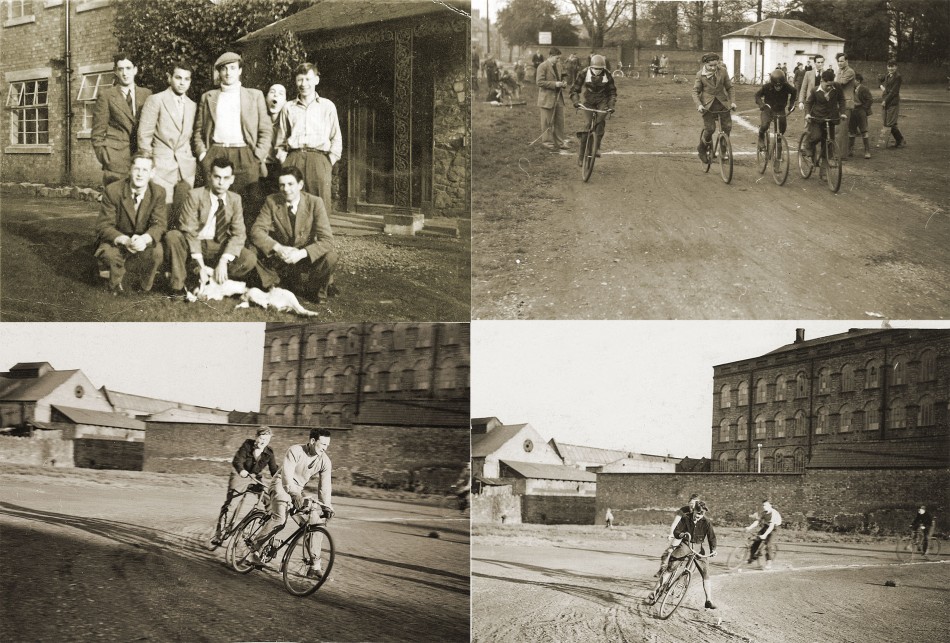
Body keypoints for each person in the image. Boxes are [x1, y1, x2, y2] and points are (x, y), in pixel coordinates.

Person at [247, 428, 334, 577]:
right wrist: (294, 494)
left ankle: (314, 565)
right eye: (323, 444)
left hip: (298, 490)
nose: (325, 448)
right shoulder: (295, 450)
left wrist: (327, 506)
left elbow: (325, 486)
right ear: (313, 441)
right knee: (280, 519)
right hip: (281, 484)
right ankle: (254, 550)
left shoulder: (325, 461)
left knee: (315, 523)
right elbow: (286, 475)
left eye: (327, 445)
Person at [165, 156, 257, 294]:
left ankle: (212, 279)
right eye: (217, 177)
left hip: (218, 246)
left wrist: (223, 261)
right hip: (196, 243)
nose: (221, 182)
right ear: (209, 176)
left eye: (226, 178)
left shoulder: (235, 199)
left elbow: (239, 234)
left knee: (249, 258)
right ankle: (178, 285)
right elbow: (190, 231)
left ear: (232, 179)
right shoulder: (195, 195)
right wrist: (201, 265)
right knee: (173, 236)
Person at [251, 165, 338, 303]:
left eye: (290, 184)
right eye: (282, 185)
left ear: (300, 185)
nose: (286, 189)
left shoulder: (315, 202)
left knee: (331, 256)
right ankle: (274, 284)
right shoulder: (272, 201)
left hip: (304, 256)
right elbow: (256, 231)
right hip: (282, 255)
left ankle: (314, 289)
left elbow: (327, 240)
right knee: (252, 249)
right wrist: (278, 248)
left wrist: (302, 253)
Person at [193, 52, 271, 198]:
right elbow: (198, 131)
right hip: (216, 152)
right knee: (215, 200)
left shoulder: (255, 95)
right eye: (224, 69)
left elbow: (266, 130)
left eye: (233, 68)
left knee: (248, 201)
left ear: (240, 70)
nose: (228, 73)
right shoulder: (208, 97)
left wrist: (257, 156)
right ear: (219, 72)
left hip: (245, 154)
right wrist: (203, 155)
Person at [93, 153, 166, 295]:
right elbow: (104, 226)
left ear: (152, 173)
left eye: (145, 170)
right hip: (119, 239)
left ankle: (144, 285)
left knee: (157, 252)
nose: (140, 174)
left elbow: (159, 225)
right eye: (136, 169)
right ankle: (115, 284)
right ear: (129, 170)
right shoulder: (113, 190)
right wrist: (125, 240)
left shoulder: (158, 192)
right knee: (109, 253)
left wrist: (144, 239)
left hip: (142, 240)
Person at [274, 63, 342, 213]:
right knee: (292, 205)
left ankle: (320, 231)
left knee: (320, 207)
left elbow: (336, 138)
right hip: (294, 158)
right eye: (300, 79)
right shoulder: (288, 107)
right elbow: (280, 140)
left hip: (319, 160)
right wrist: (285, 161)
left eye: (308, 79)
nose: (303, 84)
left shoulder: (327, 106)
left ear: (316, 80)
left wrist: (328, 162)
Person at [136, 60, 197, 226]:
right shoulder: (156, 100)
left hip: (185, 168)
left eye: (186, 79)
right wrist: (150, 165)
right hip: (161, 166)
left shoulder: (192, 105)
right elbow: (144, 135)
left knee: (183, 214)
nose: (182, 83)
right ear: (169, 78)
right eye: (178, 78)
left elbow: (189, 137)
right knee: (162, 215)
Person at [92, 53, 152, 186]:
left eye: (128, 68)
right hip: (115, 161)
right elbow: (97, 133)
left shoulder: (147, 94)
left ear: (135, 70)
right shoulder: (107, 96)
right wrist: (107, 158)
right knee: (116, 197)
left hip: (141, 160)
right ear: (115, 72)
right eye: (121, 69)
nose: (125, 73)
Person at [211, 426, 278, 546]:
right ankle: (218, 533)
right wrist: (241, 470)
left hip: (255, 477)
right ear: (256, 437)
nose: (263, 442)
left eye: (267, 440)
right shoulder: (247, 445)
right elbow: (237, 460)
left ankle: (261, 533)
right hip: (240, 475)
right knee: (231, 504)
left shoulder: (269, 452)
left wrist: (282, 479)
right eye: (262, 438)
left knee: (270, 502)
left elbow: (274, 471)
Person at [648, 500, 718, 609]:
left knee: (706, 573)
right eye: (697, 514)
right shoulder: (686, 518)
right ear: (694, 510)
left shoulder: (706, 522)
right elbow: (676, 531)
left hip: (698, 548)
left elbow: (711, 537)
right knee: (671, 568)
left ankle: (708, 600)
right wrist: (682, 534)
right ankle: (654, 591)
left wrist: (713, 549)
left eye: (701, 515)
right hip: (686, 545)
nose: (698, 517)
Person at [570, 54, 616, 162]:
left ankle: (596, 147)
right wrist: (576, 102)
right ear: (591, 67)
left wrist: (611, 106)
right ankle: (581, 156)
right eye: (595, 68)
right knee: (587, 125)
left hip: (602, 99)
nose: (597, 71)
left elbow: (612, 92)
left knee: (600, 122)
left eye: (600, 69)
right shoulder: (584, 72)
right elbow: (574, 89)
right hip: (588, 99)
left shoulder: (607, 74)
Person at [693, 52, 736, 164]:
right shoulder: (700, 75)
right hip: (707, 105)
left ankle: (723, 150)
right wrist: (699, 105)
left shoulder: (723, 71)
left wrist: (732, 102)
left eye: (715, 65)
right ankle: (702, 148)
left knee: (727, 127)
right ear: (705, 64)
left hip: (722, 103)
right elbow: (695, 92)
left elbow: (730, 87)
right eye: (710, 65)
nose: (713, 68)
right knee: (710, 129)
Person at [804, 69, 847, 166]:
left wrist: (843, 113)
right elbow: (808, 103)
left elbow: (841, 100)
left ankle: (825, 165)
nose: (829, 87)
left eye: (831, 85)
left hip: (831, 118)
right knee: (816, 136)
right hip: (817, 118)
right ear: (821, 81)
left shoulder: (837, 87)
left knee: (829, 142)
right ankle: (808, 145)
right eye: (827, 85)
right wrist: (807, 114)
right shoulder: (815, 90)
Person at [653, 494, 700, 577]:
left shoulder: (699, 512)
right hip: (680, 534)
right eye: (691, 503)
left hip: (691, 537)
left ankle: (686, 576)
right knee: (668, 552)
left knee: (694, 556)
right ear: (688, 503)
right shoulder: (683, 510)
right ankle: (662, 569)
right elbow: (675, 523)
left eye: (695, 504)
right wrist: (671, 533)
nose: (692, 506)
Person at [753, 69, 797, 151]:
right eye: (776, 86)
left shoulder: (786, 86)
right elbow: (757, 95)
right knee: (764, 125)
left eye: (780, 86)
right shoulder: (766, 87)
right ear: (772, 83)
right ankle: (761, 137)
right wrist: (761, 104)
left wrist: (791, 104)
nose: (778, 87)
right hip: (768, 109)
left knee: (782, 127)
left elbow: (794, 91)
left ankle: (778, 141)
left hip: (780, 109)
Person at [536, 47, 569, 151]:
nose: (558, 60)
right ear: (550, 56)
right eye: (557, 58)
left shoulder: (558, 65)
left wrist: (564, 82)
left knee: (560, 121)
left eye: (559, 58)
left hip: (558, 98)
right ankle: (547, 143)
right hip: (546, 99)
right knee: (547, 122)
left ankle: (560, 143)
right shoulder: (542, 66)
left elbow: (562, 77)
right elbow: (539, 82)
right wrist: (555, 84)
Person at [261, 83, 287, 197]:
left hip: (278, 167)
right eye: (272, 92)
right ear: (266, 98)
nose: (275, 95)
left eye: (280, 94)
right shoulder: (259, 120)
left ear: (285, 101)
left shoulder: (287, 123)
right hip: (260, 166)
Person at [745, 499, 782, 570]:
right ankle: (752, 558)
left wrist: (765, 535)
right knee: (756, 541)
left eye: (765, 505)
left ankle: (769, 562)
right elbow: (757, 522)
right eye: (763, 505)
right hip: (766, 526)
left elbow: (771, 527)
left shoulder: (773, 513)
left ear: (770, 505)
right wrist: (749, 527)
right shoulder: (763, 513)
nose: (764, 507)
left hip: (774, 529)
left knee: (768, 545)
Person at [833, 53, 856, 157]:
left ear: (847, 61)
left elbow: (839, 83)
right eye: (838, 61)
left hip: (846, 103)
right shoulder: (839, 71)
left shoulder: (850, 71)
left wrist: (829, 82)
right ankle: (838, 153)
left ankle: (841, 155)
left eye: (842, 61)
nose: (840, 63)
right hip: (839, 103)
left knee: (842, 129)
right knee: (838, 129)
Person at [880, 60, 905, 148]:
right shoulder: (887, 75)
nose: (890, 68)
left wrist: (885, 100)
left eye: (892, 66)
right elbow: (882, 83)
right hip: (886, 101)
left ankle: (900, 140)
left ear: (896, 67)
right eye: (889, 66)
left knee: (890, 123)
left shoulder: (898, 77)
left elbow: (893, 92)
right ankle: (899, 140)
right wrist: (880, 85)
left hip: (893, 102)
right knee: (887, 122)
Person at [849, 73, 873, 159]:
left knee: (864, 130)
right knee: (852, 130)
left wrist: (864, 109)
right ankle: (850, 150)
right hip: (852, 111)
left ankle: (867, 151)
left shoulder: (864, 89)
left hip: (861, 110)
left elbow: (870, 100)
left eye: (853, 80)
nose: (851, 82)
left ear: (858, 81)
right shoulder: (851, 89)